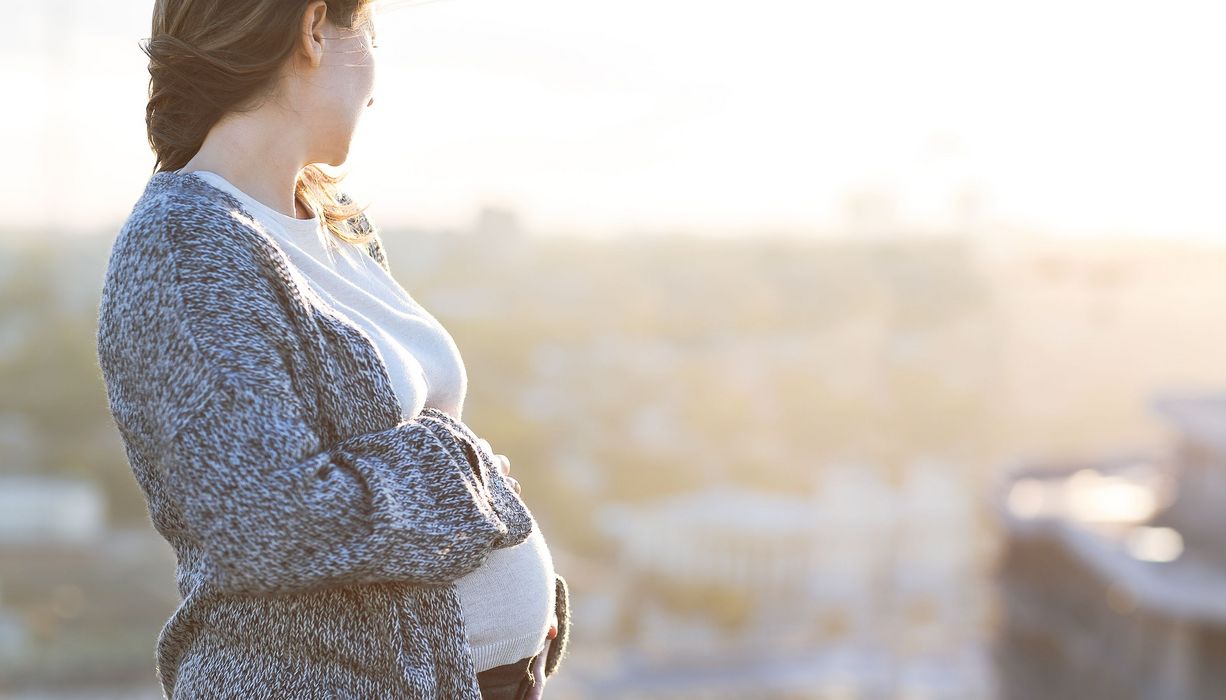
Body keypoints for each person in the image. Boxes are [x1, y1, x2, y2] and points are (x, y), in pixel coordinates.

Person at [94, 1, 569, 697]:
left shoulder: (334, 221)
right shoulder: (186, 245)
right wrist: (468, 473)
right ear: (314, 27)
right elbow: (270, 520)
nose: (376, 79)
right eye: (369, 34)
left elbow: (391, 454)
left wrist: (520, 616)